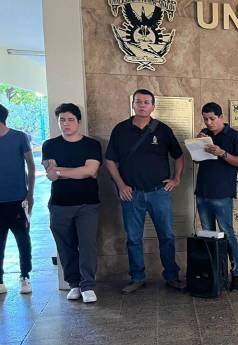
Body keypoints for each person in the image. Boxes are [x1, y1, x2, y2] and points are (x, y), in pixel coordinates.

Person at [105, 89, 185, 294]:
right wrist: (121, 185)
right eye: (138, 101)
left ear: (153, 106)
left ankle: (172, 276)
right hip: (131, 194)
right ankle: (137, 277)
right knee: (133, 239)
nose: (142, 105)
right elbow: (110, 160)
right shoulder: (120, 130)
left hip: (159, 192)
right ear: (133, 104)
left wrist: (176, 179)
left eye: (146, 102)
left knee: (167, 235)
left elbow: (178, 156)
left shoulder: (163, 130)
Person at [42, 103, 102, 303]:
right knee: (65, 246)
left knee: (87, 245)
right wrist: (77, 171)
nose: (66, 123)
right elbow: (51, 174)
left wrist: (61, 171)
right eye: (62, 120)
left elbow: (90, 171)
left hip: (88, 204)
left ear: (78, 121)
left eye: (70, 119)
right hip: (59, 204)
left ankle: (87, 286)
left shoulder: (92, 145)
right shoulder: (49, 145)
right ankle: (74, 284)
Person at [194, 102, 238, 291]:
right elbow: (196, 159)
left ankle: (236, 273)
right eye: (205, 119)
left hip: (222, 194)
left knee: (228, 233)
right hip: (202, 192)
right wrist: (197, 144)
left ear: (221, 117)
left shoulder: (233, 135)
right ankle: (215, 273)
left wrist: (222, 153)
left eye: (212, 119)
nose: (208, 123)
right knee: (208, 234)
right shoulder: (204, 133)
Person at [0, 104, 35, 295]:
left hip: (17, 199)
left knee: (23, 239)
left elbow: (31, 165)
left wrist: (30, 194)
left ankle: (25, 276)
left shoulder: (19, 137)